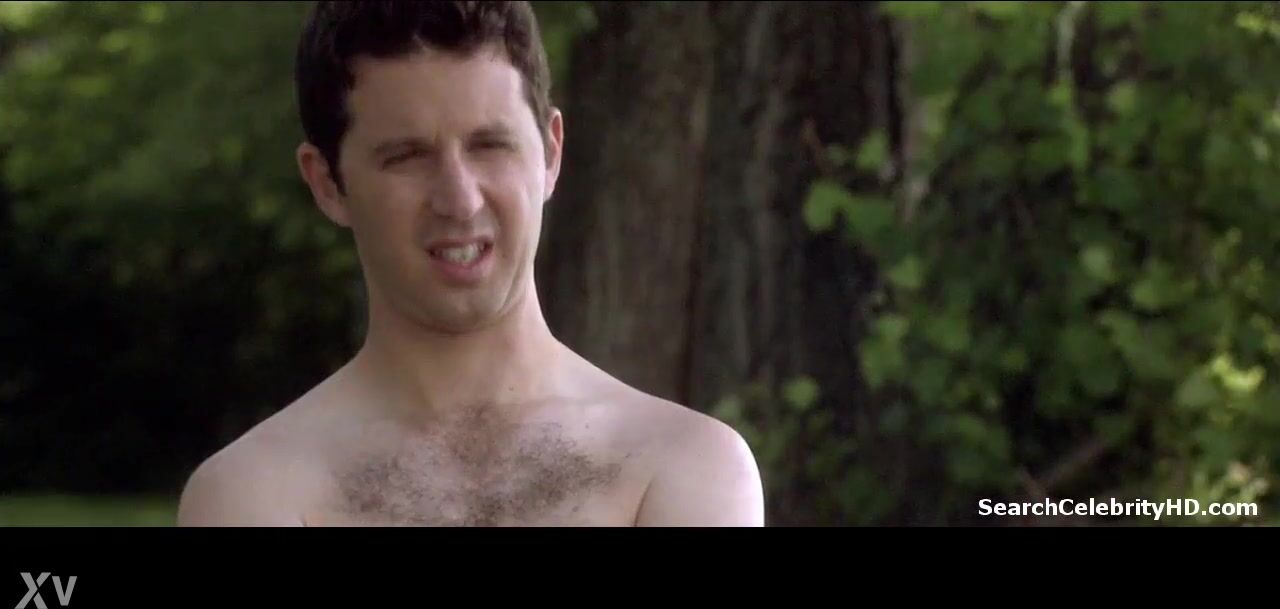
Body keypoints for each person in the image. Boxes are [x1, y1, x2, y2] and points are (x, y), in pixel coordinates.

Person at [176, 0, 764, 527]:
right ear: (328, 184)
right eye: (406, 156)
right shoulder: (253, 491)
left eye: (490, 145)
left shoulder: (683, 466)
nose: (459, 200)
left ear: (551, 153)